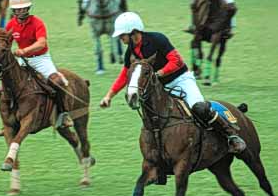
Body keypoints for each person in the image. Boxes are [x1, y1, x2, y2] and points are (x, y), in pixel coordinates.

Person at [100, 12, 246, 153]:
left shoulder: (157, 39)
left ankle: (231, 135)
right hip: (162, 87)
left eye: (122, 35)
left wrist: (158, 74)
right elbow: (125, 75)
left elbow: (177, 61)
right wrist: (109, 96)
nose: (120, 38)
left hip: (181, 80)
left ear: (133, 32)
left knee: (199, 108)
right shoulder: (130, 51)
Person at [2, 0, 72, 129]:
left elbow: (41, 43)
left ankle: (63, 115)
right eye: (17, 9)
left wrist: (24, 51)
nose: (21, 11)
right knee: (3, 89)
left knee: (57, 82)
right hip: (22, 61)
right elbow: (6, 45)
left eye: (23, 8)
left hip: (40, 58)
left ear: (28, 8)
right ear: (13, 10)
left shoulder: (37, 23)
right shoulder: (10, 25)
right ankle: (8, 122)